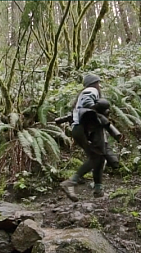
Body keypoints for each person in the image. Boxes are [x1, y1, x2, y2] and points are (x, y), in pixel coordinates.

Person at [60, 73, 117, 202]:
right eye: (99, 83)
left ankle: (98, 190)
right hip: (83, 128)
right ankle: (71, 182)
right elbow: (88, 105)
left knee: (99, 157)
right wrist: (100, 107)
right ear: (94, 83)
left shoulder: (84, 94)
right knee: (96, 156)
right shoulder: (91, 90)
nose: (100, 86)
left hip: (81, 130)